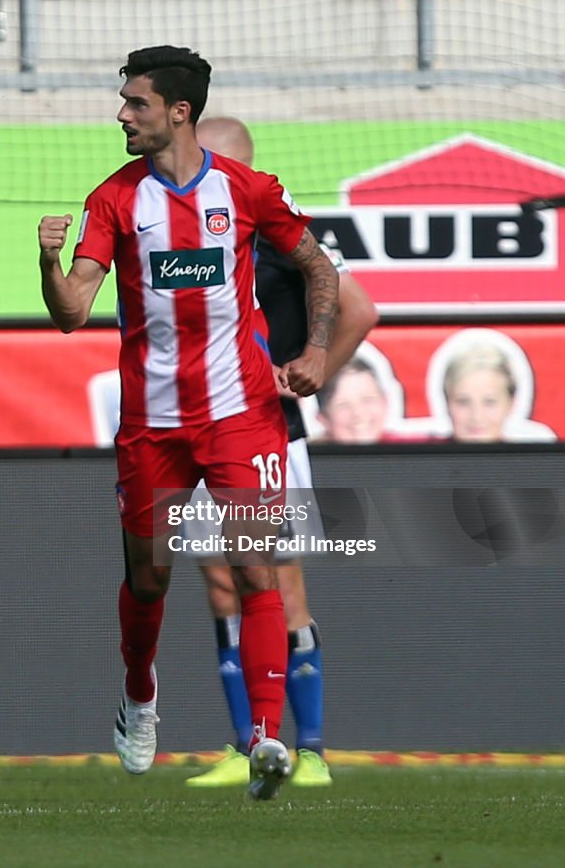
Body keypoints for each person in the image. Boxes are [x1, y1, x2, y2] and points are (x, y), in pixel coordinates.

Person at [37, 46, 340, 801]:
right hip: (153, 426)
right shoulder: (113, 200)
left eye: (134, 103)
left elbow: (319, 268)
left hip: (242, 416)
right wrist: (46, 264)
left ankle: (266, 740)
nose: (121, 114)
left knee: (255, 569)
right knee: (151, 579)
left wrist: (316, 351)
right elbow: (72, 315)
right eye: (124, 102)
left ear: (177, 111)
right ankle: (140, 700)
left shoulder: (245, 190)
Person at [184, 117, 378, 788]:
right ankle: (246, 748)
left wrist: (309, 372)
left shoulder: (283, 234)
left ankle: (313, 750)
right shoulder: (185, 234)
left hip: (269, 434)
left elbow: (359, 310)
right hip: (196, 432)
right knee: (219, 584)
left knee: (278, 582)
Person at [429, 331, 556, 443]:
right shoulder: (424, 461)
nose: (476, 416)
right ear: (446, 402)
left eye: (489, 402)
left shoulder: (530, 464)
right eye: (463, 402)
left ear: (510, 404)